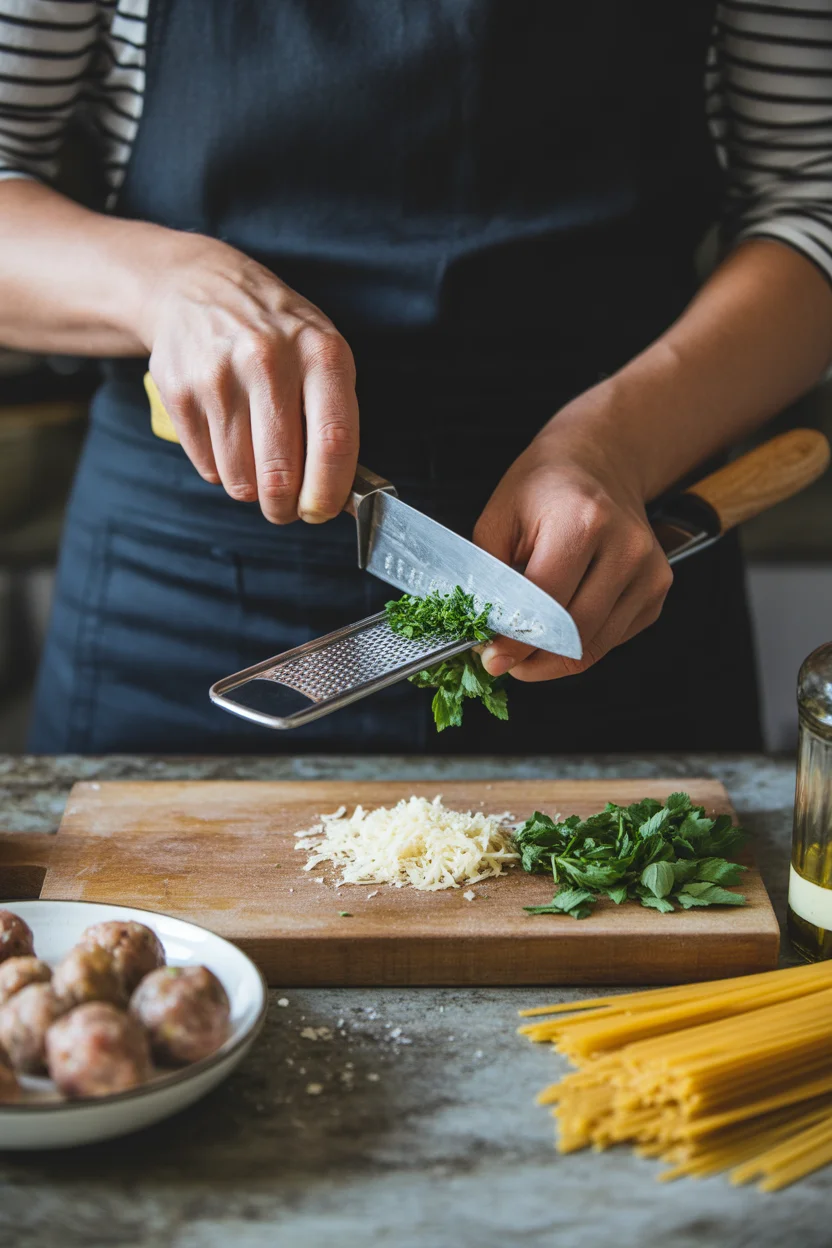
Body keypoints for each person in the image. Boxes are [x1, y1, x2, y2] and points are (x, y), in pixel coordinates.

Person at [1, 1, 831, 756]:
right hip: (185, 581)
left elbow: (811, 202)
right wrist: (165, 283)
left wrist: (621, 445)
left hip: (604, 573)